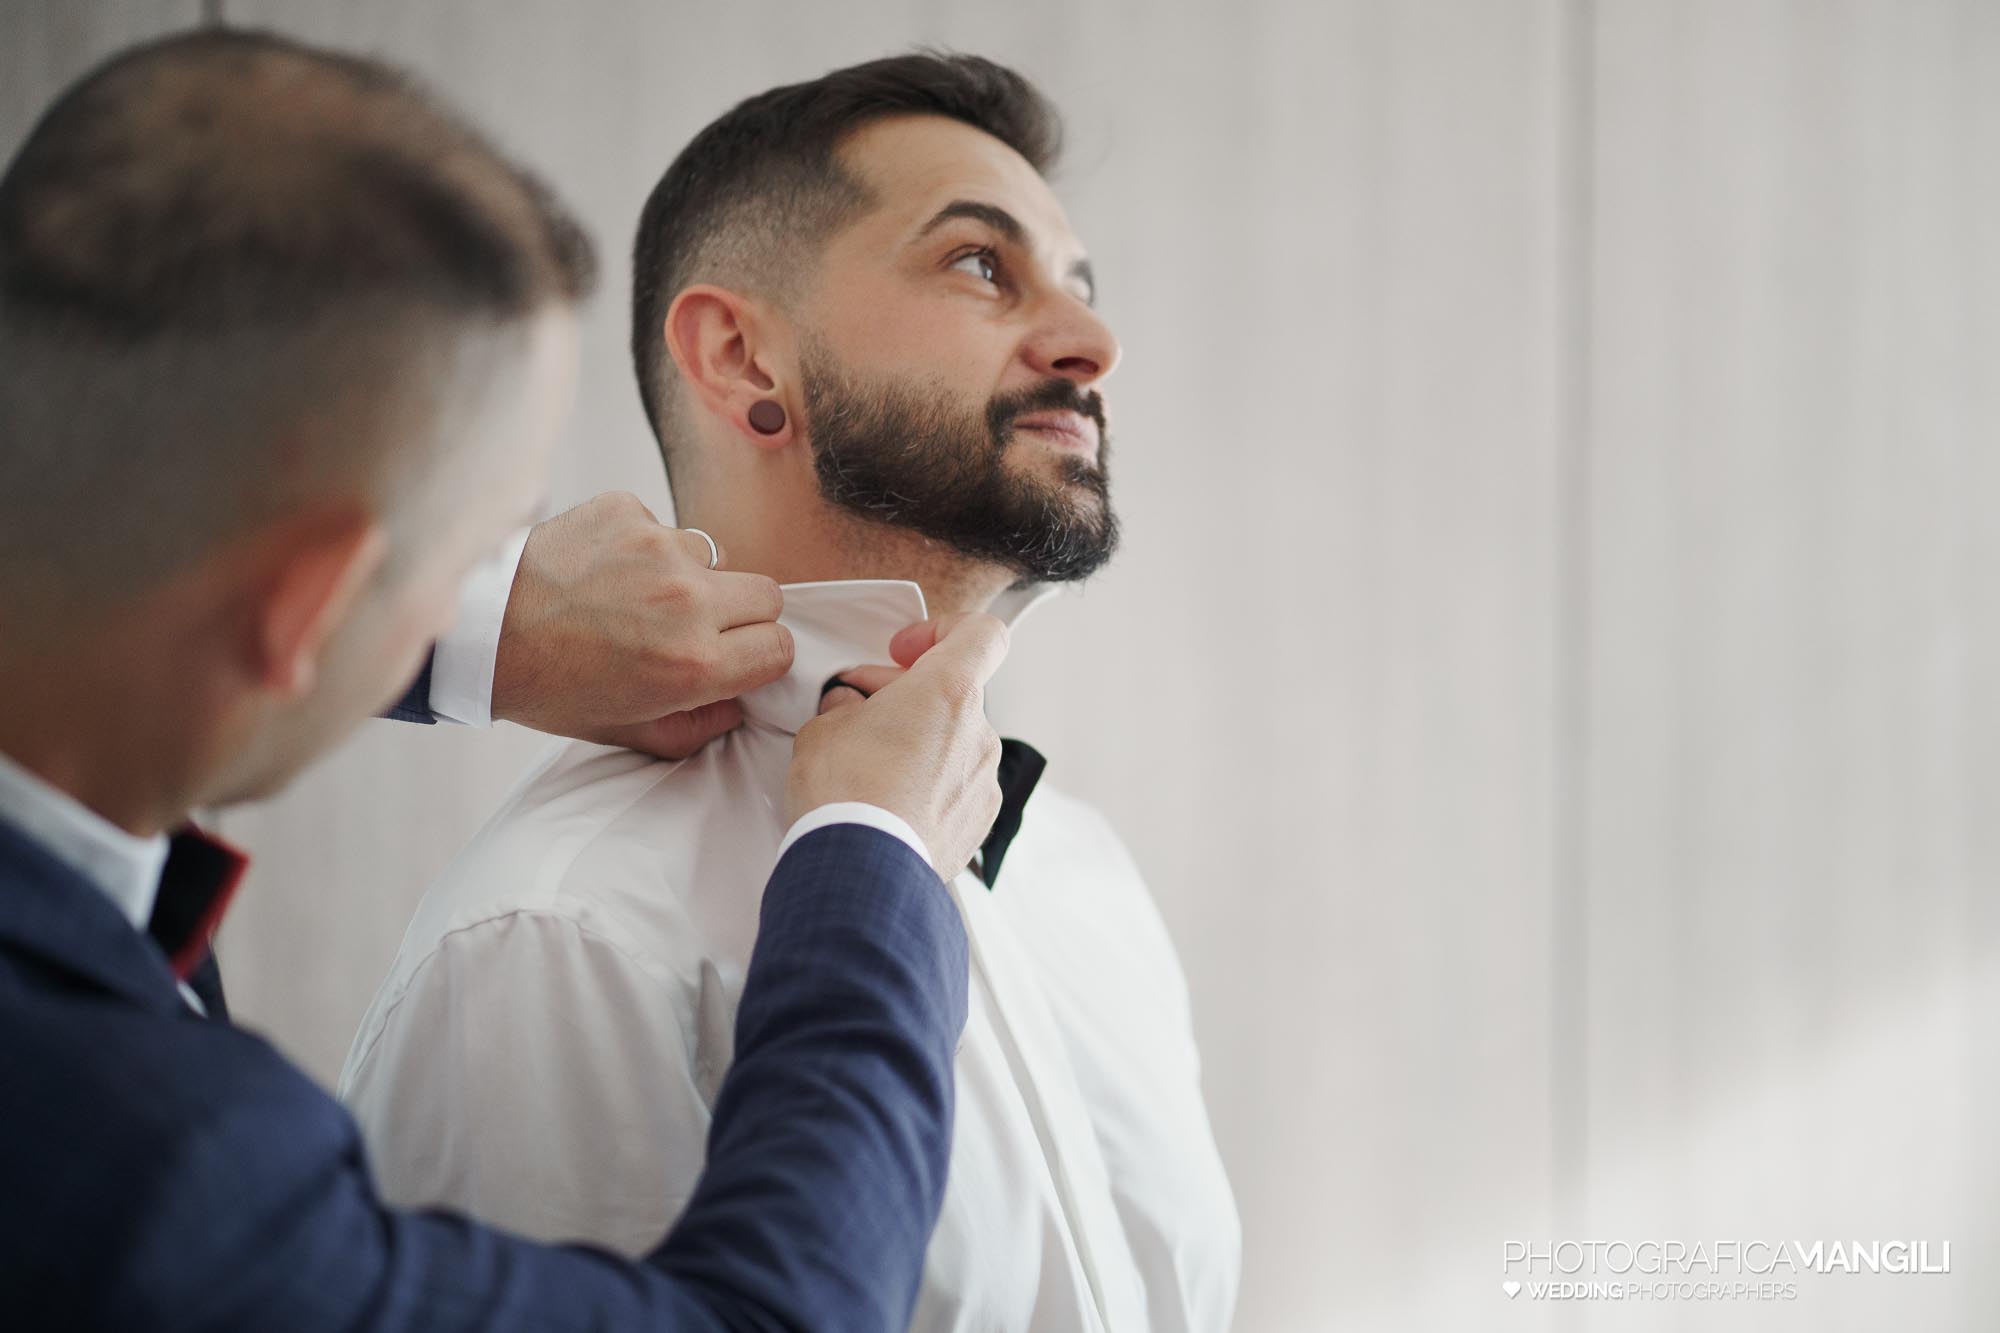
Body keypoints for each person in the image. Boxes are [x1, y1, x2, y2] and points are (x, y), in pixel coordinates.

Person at [0, 29, 1014, 1332]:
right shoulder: (149, 1151)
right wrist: (871, 862)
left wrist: (457, 623)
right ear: (309, 602)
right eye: (487, 541)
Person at [343, 52, 1241, 1333]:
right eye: (982, 264)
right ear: (743, 357)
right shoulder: (556, 937)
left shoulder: (1085, 876)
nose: (1090, 344)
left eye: (1080, 289)